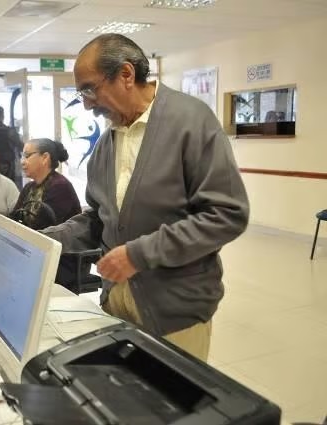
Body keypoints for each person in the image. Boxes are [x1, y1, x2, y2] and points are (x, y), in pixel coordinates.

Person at [42, 34, 249, 361]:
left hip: (175, 312)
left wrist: (139, 254)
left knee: (173, 394)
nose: (87, 104)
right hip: (116, 303)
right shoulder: (107, 143)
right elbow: (99, 219)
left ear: (126, 74)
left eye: (90, 89)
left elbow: (226, 214)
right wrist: (45, 240)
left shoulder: (191, 122)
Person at [11, 138, 81, 230]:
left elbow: (42, 228)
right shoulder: (29, 187)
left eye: (27, 156)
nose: (22, 162)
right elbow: (13, 219)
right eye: (22, 156)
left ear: (45, 158)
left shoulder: (60, 187)